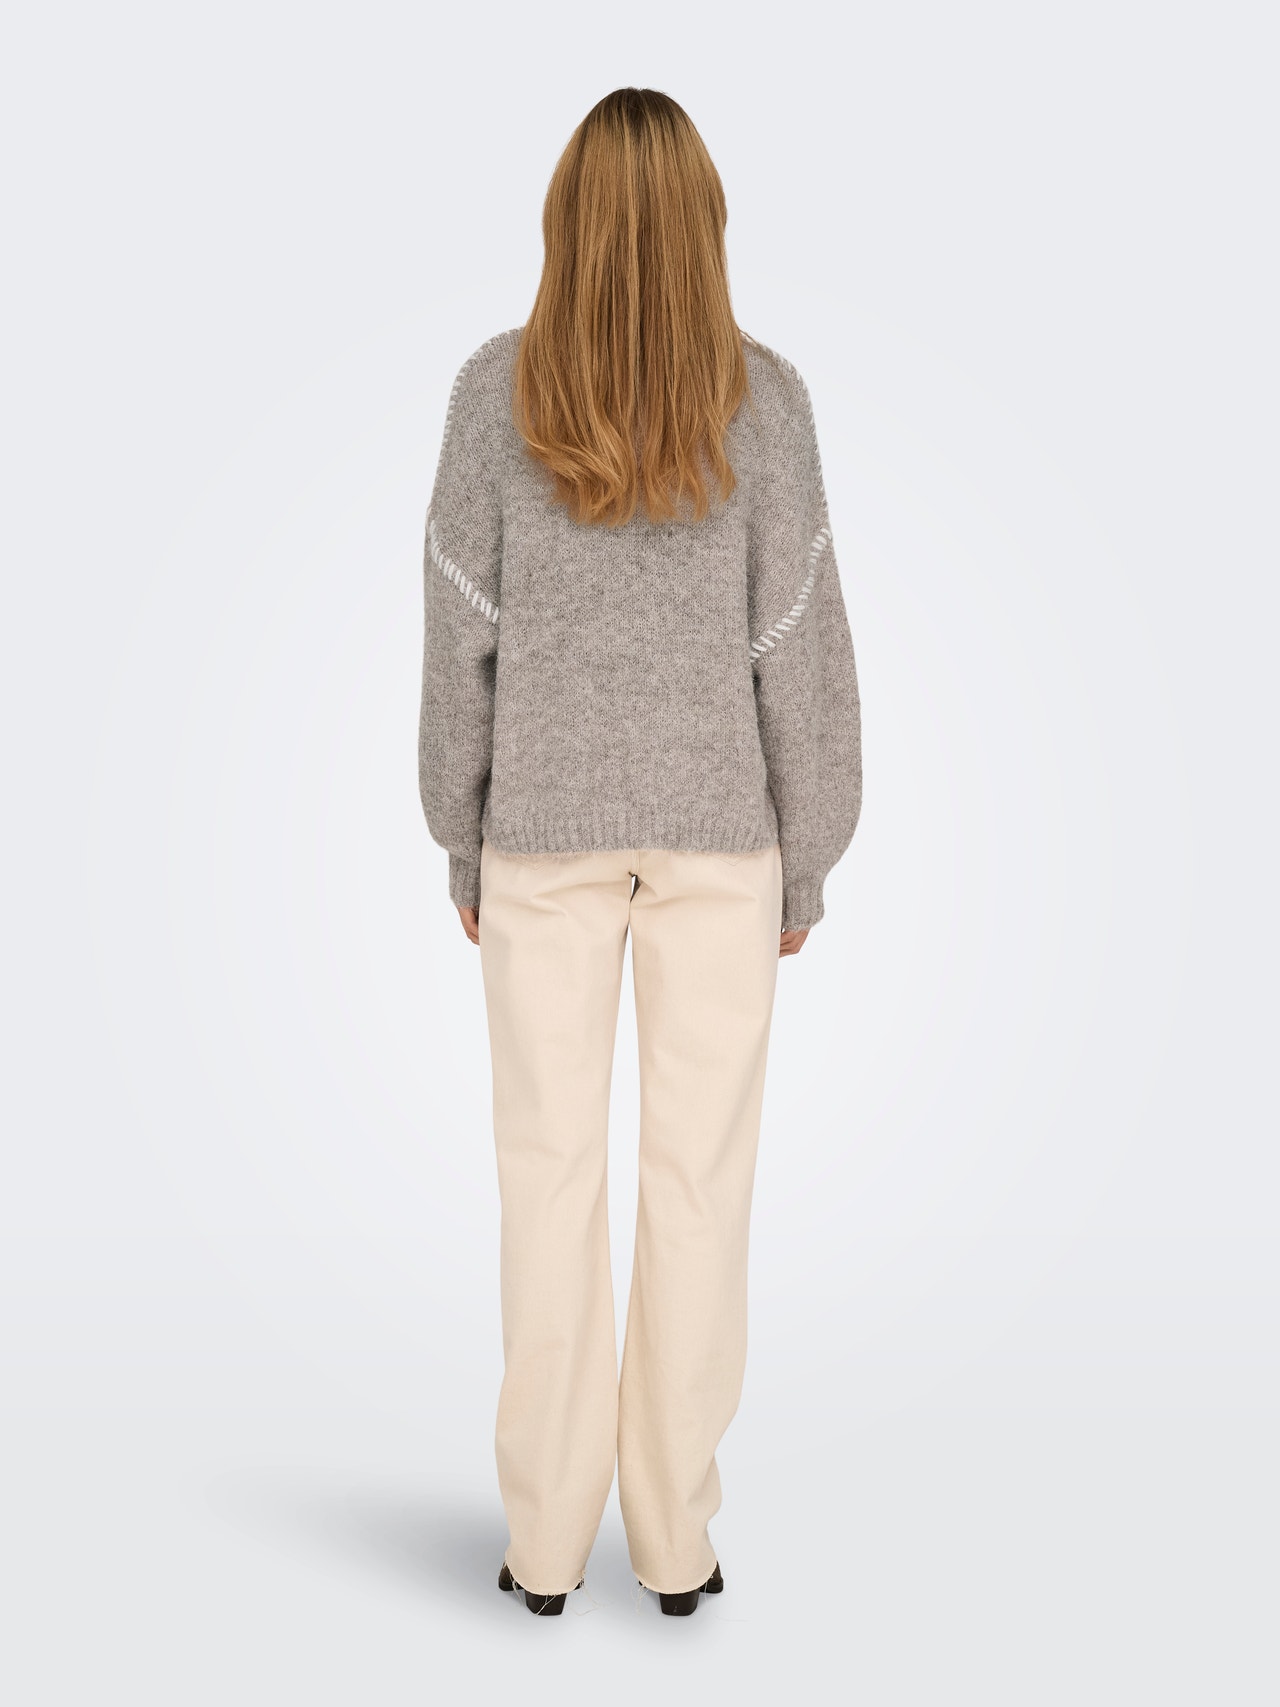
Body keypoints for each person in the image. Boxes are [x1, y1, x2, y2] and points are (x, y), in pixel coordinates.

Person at [417, 86, 862, 1618]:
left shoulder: (495, 393)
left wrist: (462, 837)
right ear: (704, 225)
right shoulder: (767, 400)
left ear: (565, 221)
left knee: (546, 1183)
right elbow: (799, 650)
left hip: (540, 842)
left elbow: (459, 647)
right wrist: (809, 856)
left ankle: (544, 1547)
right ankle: (677, 1544)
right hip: (721, 850)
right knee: (698, 1188)